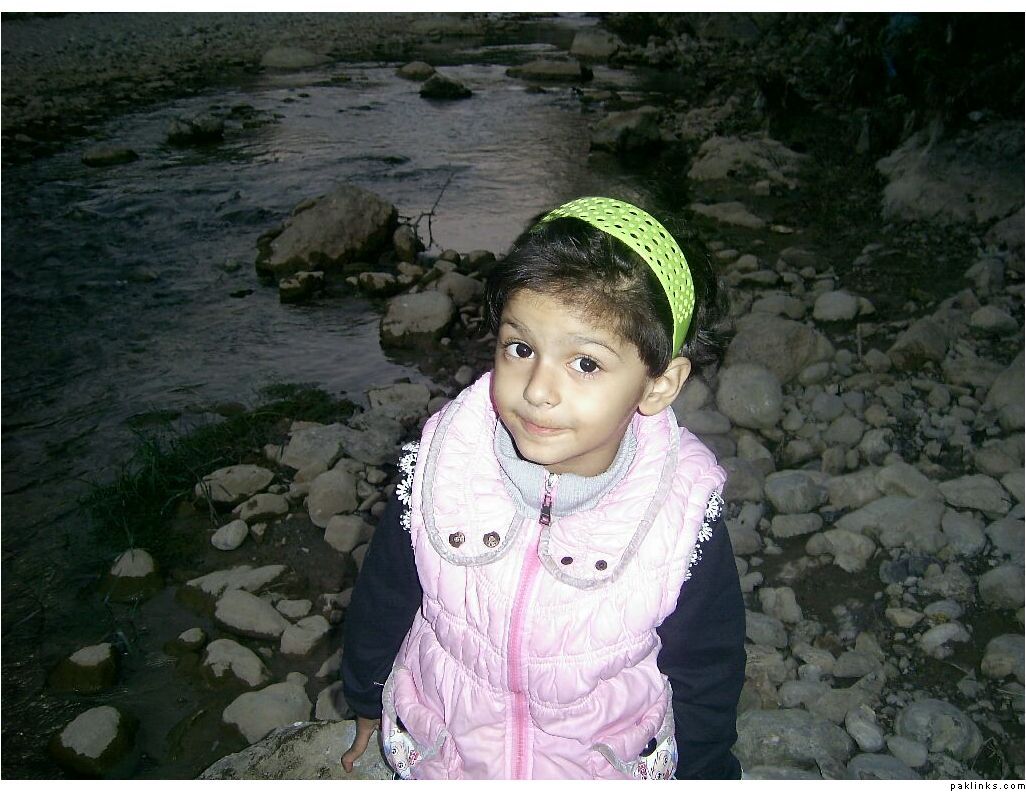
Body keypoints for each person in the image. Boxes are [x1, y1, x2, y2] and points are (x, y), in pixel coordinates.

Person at [339, 196, 745, 780]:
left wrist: (706, 773)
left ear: (658, 384)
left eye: (586, 364)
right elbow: (385, 596)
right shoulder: (440, 470)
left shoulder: (679, 514)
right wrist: (367, 699)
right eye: (521, 349)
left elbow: (707, 667)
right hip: (447, 756)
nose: (537, 390)